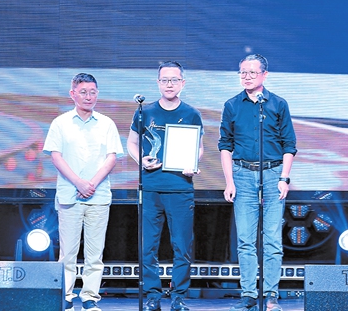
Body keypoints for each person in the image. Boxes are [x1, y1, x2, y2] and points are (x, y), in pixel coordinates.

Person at [218, 54, 297, 311]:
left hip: (273, 175)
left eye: (252, 73)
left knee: (272, 239)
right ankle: (249, 294)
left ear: (264, 75)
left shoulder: (277, 104)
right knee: (245, 240)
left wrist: (284, 178)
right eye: (243, 72)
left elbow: (289, 145)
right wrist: (229, 182)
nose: (247, 77)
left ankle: (271, 294)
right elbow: (225, 146)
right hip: (242, 174)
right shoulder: (232, 105)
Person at [44, 72, 124, 311]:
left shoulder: (107, 123)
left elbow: (112, 158)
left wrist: (92, 184)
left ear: (97, 94)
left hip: (98, 197)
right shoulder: (60, 123)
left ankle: (90, 297)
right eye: (83, 92)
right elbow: (56, 157)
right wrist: (79, 182)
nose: (88, 97)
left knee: (94, 253)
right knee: (67, 253)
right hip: (70, 195)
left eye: (92, 92)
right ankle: (66, 297)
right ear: (73, 94)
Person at [128, 61, 204, 311]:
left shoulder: (192, 113)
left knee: (181, 246)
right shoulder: (144, 111)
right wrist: (141, 160)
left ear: (183, 82)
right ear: (158, 82)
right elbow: (131, 143)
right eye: (164, 80)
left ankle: (178, 296)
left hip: (181, 187)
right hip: (151, 187)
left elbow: (198, 147)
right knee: (148, 246)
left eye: (174, 80)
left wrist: (193, 163)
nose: (169, 84)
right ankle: (152, 295)